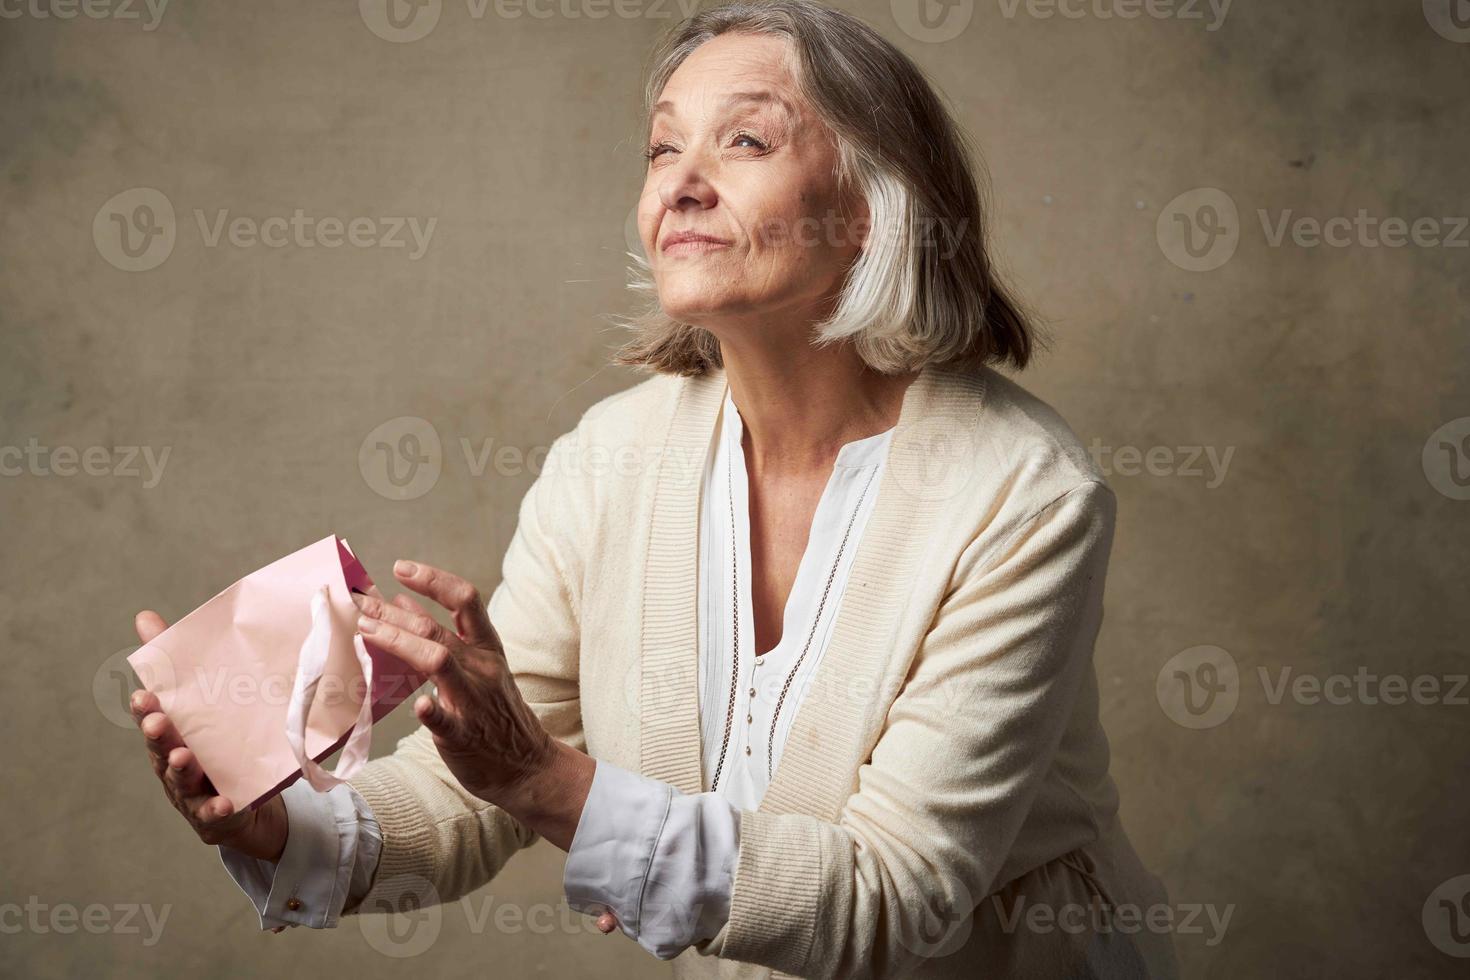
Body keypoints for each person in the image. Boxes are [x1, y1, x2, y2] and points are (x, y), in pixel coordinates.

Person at [129, 2, 1178, 976]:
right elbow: (469, 791)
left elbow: (891, 895)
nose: (680, 180)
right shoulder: (607, 460)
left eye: (747, 140)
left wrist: (550, 780)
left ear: (872, 207)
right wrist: (275, 823)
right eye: (664, 145)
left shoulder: (1023, 493)